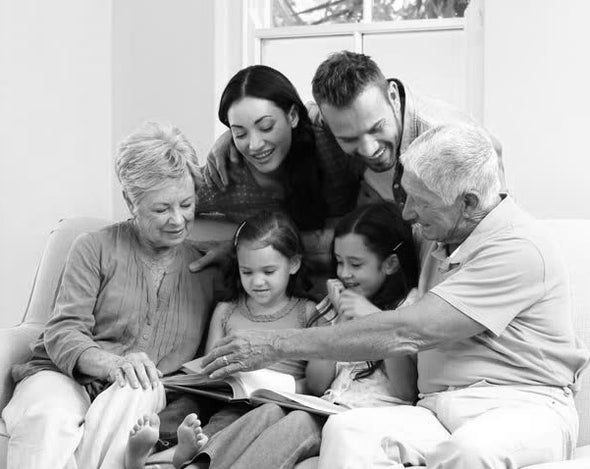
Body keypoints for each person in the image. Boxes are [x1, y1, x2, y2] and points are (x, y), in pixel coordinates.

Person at [201, 124, 589, 468]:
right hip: (436, 411)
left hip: (523, 407)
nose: (407, 213)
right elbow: (361, 246)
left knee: (472, 451)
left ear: (469, 202)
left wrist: (276, 344)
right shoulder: (442, 234)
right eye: (408, 197)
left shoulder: (520, 248)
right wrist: (237, 247)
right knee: (347, 431)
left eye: (421, 202)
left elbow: (410, 331)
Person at [1, 122, 224, 469]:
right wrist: (114, 364)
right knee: (48, 415)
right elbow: (63, 331)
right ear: (130, 202)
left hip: (139, 397)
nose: (177, 220)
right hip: (63, 378)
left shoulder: (209, 268)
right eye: (162, 209)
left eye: (186, 204)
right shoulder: (93, 247)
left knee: (140, 388)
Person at [173, 201, 420, 469]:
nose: (344, 273)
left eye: (356, 264)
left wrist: (373, 319)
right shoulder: (334, 304)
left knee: (298, 421)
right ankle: (199, 465)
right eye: (338, 262)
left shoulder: (408, 307)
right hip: (326, 407)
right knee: (270, 411)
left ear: (391, 264)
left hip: (367, 418)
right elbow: (317, 383)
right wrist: (335, 326)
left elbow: (406, 390)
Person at [126, 210, 317, 468]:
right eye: (247, 272)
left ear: (293, 264)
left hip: (267, 402)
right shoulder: (227, 310)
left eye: (269, 271)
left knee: (227, 421)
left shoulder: (306, 312)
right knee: (185, 408)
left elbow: (315, 381)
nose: (257, 281)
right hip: (223, 392)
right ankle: (151, 449)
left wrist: (283, 388)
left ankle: (175, 457)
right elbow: (209, 362)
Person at [205, 51, 505, 211]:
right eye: (348, 139)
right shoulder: (322, 119)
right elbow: (292, 114)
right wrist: (232, 136)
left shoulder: (445, 136)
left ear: (390, 95)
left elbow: (493, 159)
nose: (368, 149)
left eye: (376, 129)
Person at [190, 64, 365, 274]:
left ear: (292, 116)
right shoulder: (226, 177)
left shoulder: (327, 142)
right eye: (240, 133)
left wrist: (240, 247)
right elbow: (168, 197)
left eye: (266, 127)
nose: (254, 145)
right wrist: (237, 248)